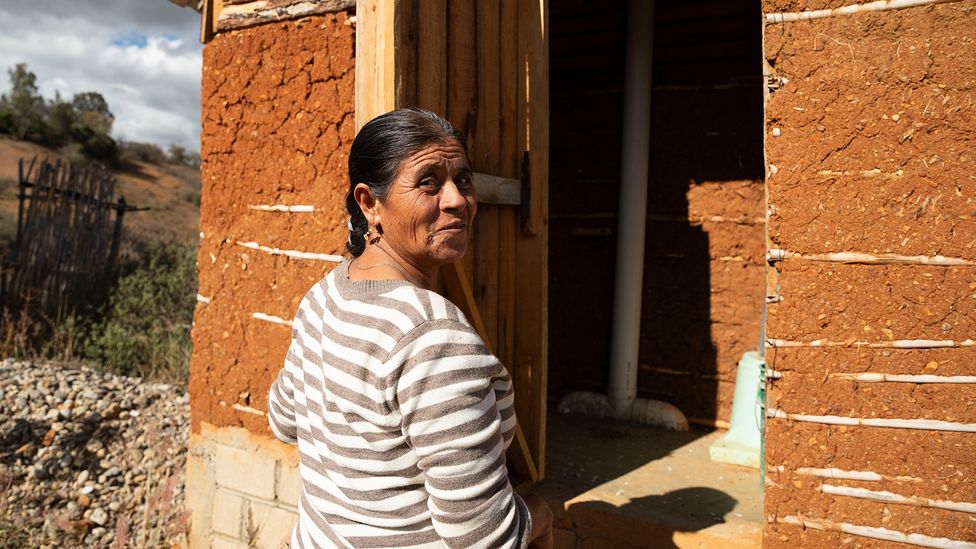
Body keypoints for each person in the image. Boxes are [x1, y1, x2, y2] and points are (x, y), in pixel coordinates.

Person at [267, 108, 553, 549]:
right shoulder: (433, 339)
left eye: (463, 179)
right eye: (429, 182)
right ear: (369, 203)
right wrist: (541, 517)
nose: (457, 199)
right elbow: (485, 539)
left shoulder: (324, 296)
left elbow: (284, 421)